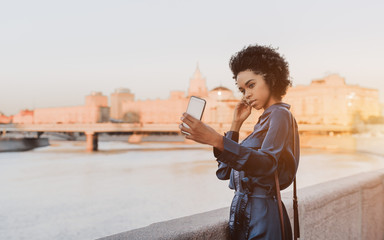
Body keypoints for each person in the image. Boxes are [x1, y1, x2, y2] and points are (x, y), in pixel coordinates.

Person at [179, 44, 300, 240]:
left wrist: (216, 139)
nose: (246, 95)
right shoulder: (263, 123)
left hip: (264, 216)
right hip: (242, 215)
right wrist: (234, 126)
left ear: (271, 79)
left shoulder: (280, 115)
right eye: (242, 89)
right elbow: (224, 172)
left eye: (251, 85)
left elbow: (267, 164)